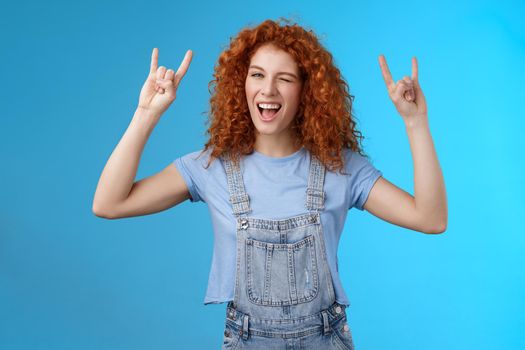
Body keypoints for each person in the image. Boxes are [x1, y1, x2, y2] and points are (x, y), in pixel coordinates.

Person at [92, 18, 447, 350]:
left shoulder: (341, 169)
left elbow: (430, 219)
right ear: (240, 84)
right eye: (257, 75)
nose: (268, 89)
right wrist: (146, 114)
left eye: (285, 79)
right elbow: (109, 204)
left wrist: (416, 123)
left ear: (306, 91)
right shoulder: (211, 167)